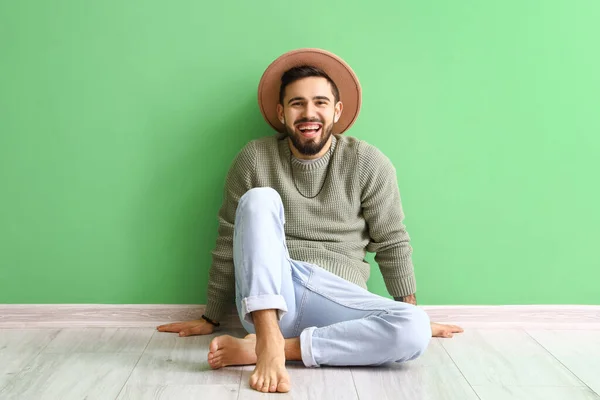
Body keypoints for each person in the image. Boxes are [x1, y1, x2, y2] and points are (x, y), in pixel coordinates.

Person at [157, 48, 463, 393]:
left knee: (415, 329)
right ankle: (268, 335)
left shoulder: (368, 162)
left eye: (320, 102)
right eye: (297, 103)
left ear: (336, 110)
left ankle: (269, 348)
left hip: (339, 297)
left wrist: (409, 311)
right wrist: (211, 315)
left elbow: (391, 241)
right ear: (281, 113)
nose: (309, 113)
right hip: (274, 288)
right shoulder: (254, 158)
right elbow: (230, 240)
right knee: (259, 199)